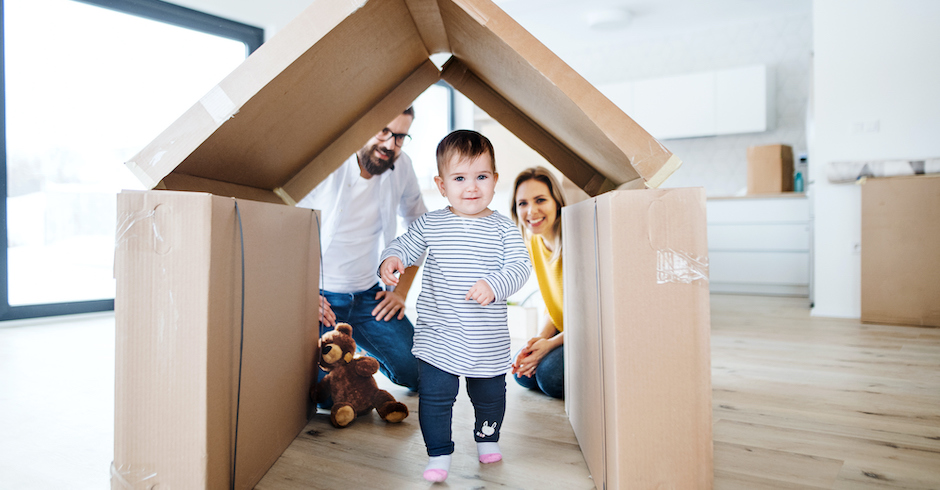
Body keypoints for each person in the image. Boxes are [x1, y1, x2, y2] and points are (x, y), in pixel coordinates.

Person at [378, 130, 530, 482]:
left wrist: (495, 284)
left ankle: (487, 437)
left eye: (481, 177)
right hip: (439, 335)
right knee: (435, 397)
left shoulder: (504, 229)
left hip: (486, 338)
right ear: (442, 185)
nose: (471, 187)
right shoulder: (431, 224)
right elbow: (404, 244)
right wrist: (392, 259)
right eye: (460, 178)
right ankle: (439, 453)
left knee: (491, 396)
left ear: (494, 180)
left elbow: (520, 267)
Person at [297, 107, 426, 391]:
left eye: (401, 137)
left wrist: (402, 292)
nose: (390, 145)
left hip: (369, 297)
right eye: (384, 131)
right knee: (317, 390)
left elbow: (420, 228)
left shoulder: (402, 166)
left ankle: (358, 351)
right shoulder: (326, 163)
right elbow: (283, 229)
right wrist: (301, 296)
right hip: (321, 301)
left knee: (418, 374)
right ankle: (349, 358)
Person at [509, 166, 568, 399]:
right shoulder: (534, 242)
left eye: (540, 200)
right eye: (522, 203)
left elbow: (592, 319)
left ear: (556, 202)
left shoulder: (576, 238)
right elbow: (552, 306)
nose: (531, 211)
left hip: (587, 333)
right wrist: (540, 340)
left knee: (550, 377)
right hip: (564, 331)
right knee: (521, 372)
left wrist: (550, 345)